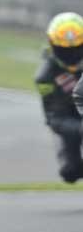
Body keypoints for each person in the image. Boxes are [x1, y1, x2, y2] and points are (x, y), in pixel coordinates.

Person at [35, 12, 83, 183]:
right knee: (70, 172)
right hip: (71, 119)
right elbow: (54, 118)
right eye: (64, 49)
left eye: (77, 48)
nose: (71, 55)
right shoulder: (45, 77)